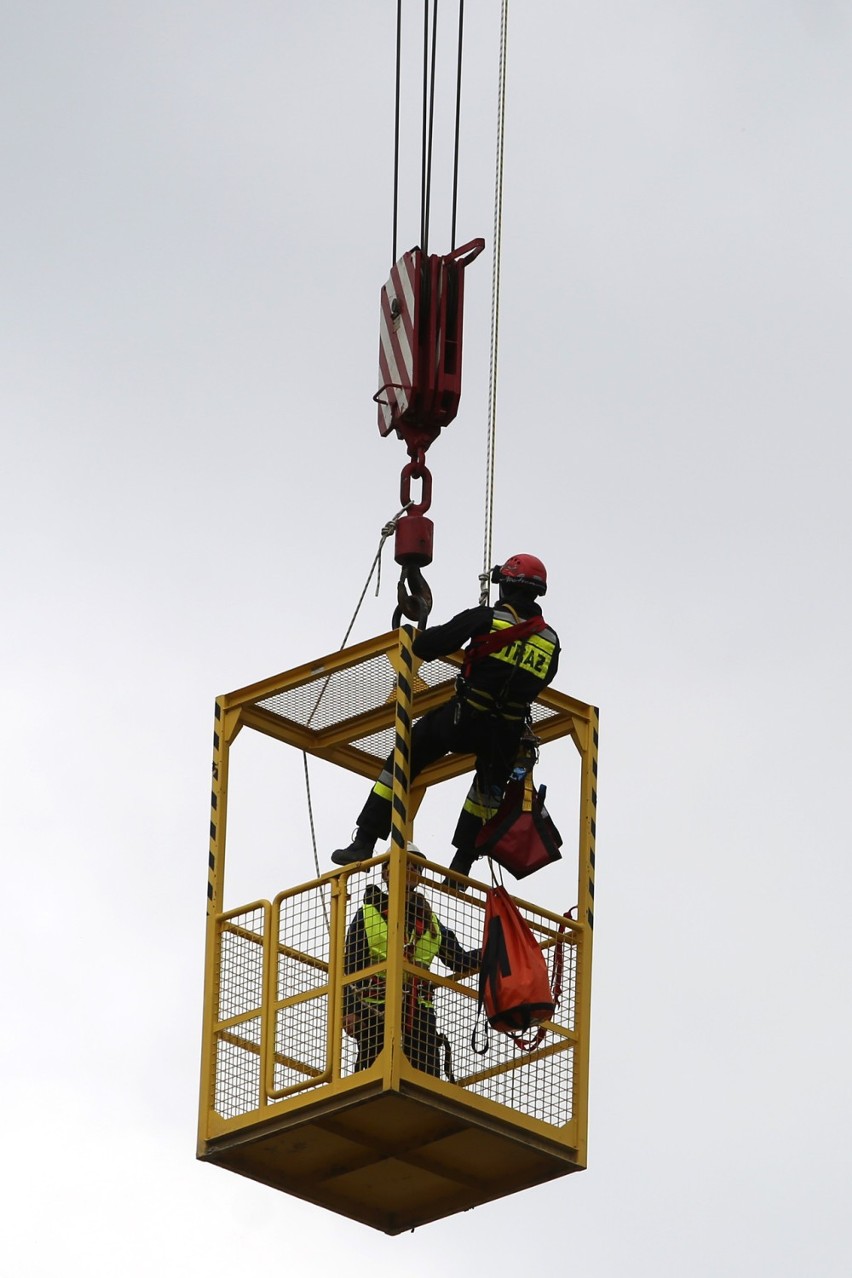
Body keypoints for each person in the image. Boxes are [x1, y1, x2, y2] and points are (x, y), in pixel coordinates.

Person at [332, 554, 560, 881]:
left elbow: (431, 645)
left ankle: (365, 840)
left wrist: (417, 631)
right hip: (507, 733)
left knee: (406, 755)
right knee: (486, 792)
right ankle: (461, 867)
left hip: (464, 718)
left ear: (506, 586)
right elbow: (543, 679)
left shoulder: (486, 618)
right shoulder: (551, 641)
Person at [342, 846, 481, 1075]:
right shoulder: (367, 915)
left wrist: (492, 951)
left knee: (426, 1077)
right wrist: (350, 1011)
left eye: (414, 867)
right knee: (379, 1074)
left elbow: (459, 960)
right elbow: (350, 967)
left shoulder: (430, 922)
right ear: (386, 874)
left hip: (419, 1013)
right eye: (402, 864)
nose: (408, 869)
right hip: (374, 1009)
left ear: (420, 876)